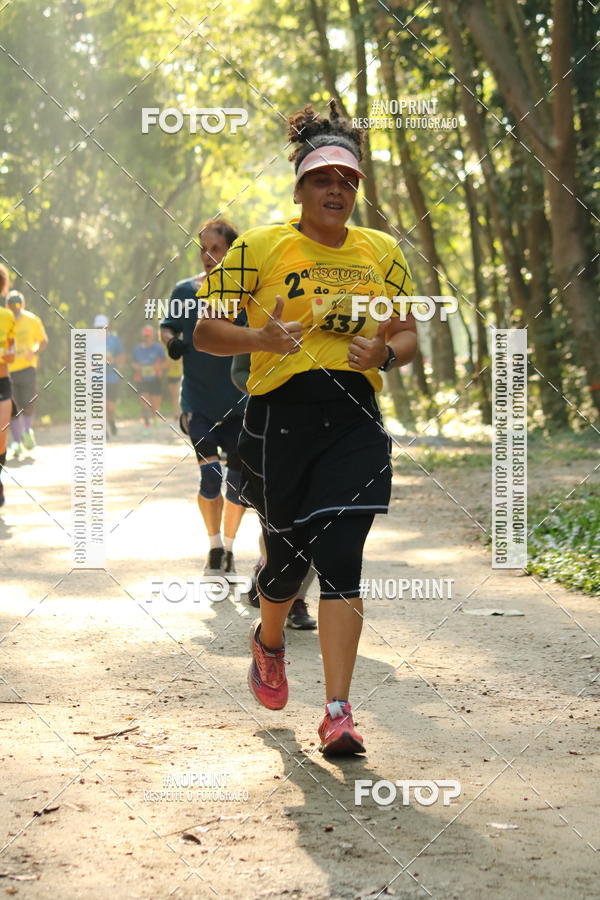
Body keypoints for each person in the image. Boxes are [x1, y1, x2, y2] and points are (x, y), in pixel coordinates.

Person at [194, 100, 417, 755]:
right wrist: (259, 336)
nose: (336, 190)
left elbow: (406, 334)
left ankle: (338, 712)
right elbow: (206, 331)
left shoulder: (382, 251)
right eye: (323, 179)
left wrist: (385, 353)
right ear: (300, 187)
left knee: (343, 554)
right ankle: (268, 641)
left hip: (353, 418)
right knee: (286, 566)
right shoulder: (260, 246)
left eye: (348, 181)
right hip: (279, 421)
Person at [160, 218, 247, 577]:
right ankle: (213, 545)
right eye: (203, 249)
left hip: (242, 401)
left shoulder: (247, 291)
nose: (208, 256)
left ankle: (228, 546)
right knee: (210, 476)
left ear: (232, 251)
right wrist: (172, 343)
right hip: (198, 401)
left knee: (238, 486)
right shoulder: (184, 291)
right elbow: (167, 327)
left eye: (216, 249)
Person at [231, 352, 317, 629]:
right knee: (277, 522)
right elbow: (239, 372)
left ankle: (297, 600)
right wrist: (271, 387)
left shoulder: (334, 316)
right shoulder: (260, 316)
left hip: (328, 431)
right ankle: (269, 566)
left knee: (318, 522)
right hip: (271, 431)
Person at [7, 290, 48, 457]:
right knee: (12, 406)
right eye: (11, 305)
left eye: (18, 305)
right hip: (8, 370)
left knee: (28, 403)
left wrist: (35, 350)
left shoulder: (32, 320)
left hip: (28, 367)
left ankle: (27, 431)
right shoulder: (3, 321)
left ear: (22, 305)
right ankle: (16, 442)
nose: (15, 308)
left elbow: (43, 341)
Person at [0, 265, 16, 506]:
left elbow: (10, 352)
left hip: (2, 381)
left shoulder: (8, 316)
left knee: (1, 436)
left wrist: (7, 353)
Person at [94, 313, 125, 438]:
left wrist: (113, 361)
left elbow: (122, 356)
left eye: (103, 327)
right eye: (98, 328)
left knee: (110, 406)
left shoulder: (114, 340)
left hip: (112, 377)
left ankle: (111, 421)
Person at [132, 325, 166, 432]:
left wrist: (158, 367)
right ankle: (147, 424)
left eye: (148, 335)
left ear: (153, 336)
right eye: (145, 336)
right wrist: (136, 366)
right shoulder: (137, 349)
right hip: (141, 379)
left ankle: (155, 419)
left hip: (155, 378)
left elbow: (166, 363)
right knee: (144, 401)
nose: (147, 337)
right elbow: (133, 362)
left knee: (155, 404)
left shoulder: (158, 348)